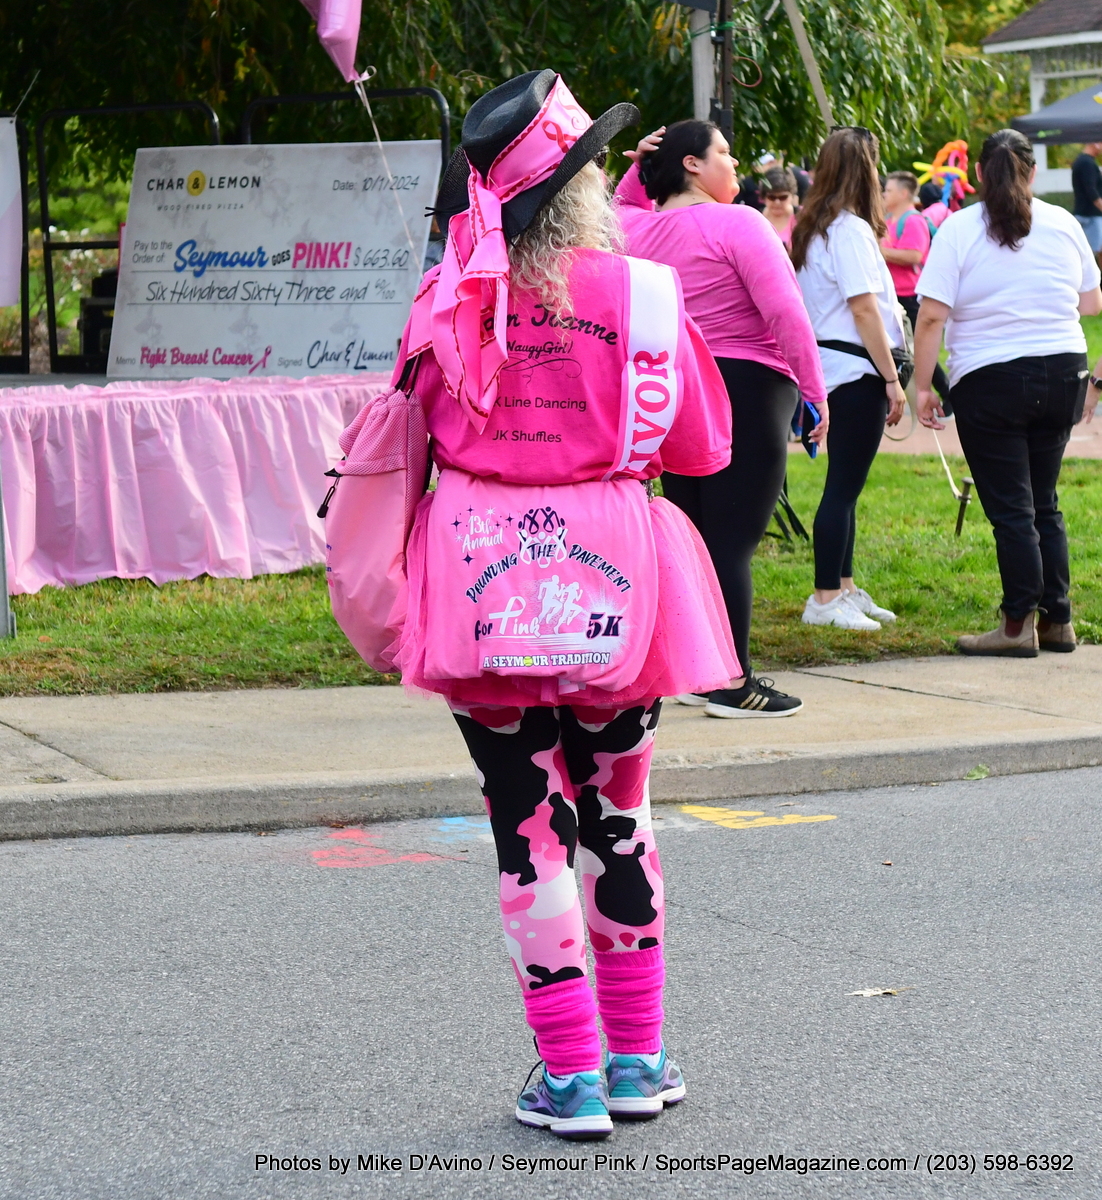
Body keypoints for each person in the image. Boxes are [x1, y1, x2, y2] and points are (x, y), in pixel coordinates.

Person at [395, 71, 740, 1138]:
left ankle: (571, 1075)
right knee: (619, 819)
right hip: (617, 576)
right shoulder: (644, 296)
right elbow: (702, 448)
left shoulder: (448, 298)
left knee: (526, 826)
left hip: (480, 577)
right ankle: (636, 1059)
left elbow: (403, 439)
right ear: (585, 191)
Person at [614, 121, 828, 717]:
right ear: (692, 164)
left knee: (696, 539)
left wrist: (638, 167)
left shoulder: (632, 230)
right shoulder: (740, 223)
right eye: (725, 153)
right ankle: (734, 683)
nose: (735, 165)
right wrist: (816, 391)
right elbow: (785, 310)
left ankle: (697, 670)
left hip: (673, 392)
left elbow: (617, 208)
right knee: (732, 543)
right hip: (747, 387)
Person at [913, 129, 1102, 656]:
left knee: (1013, 510)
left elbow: (930, 317)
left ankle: (1017, 625)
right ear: (1032, 172)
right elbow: (1091, 303)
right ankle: (1058, 621)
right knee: (1044, 503)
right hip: (1063, 371)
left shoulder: (958, 228)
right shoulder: (1063, 222)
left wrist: (924, 386)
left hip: (990, 379)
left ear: (978, 173)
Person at [791, 126, 908, 631]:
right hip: (856, 368)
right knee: (842, 488)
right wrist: (892, 377)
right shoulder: (850, 230)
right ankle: (824, 598)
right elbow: (864, 309)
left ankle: (843, 586)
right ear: (867, 171)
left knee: (846, 485)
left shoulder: (813, 228)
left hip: (833, 367)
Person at [881, 170, 951, 410]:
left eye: (889, 190)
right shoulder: (889, 220)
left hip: (910, 295)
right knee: (897, 350)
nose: (884, 194)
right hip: (893, 294)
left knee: (918, 350)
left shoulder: (913, 220)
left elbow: (914, 255)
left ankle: (947, 396)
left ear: (903, 193)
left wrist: (880, 252)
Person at [1071, 141, 1102, 268]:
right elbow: (1091, 191)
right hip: (1090, 215)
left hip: (1084, 212)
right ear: (1095, 143)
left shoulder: (1082, 161)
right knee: (1093, 252)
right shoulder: (1087, 163)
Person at [761, 165, 799, 250]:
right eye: (772, 197)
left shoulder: (803, 218)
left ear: (792, 196)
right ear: (764, 197)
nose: (777, 202)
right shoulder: (755, 220)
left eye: (783, 197)